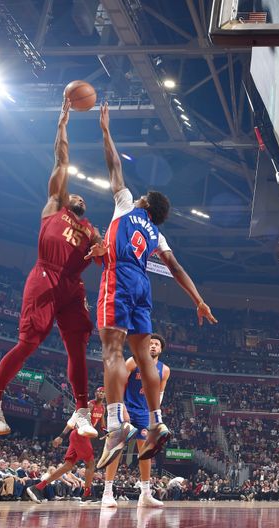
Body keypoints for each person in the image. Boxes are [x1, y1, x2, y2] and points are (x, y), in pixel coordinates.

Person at [88, 103, 217, 469]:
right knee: (144, 358)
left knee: (112, 350)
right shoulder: (157, 232)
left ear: (144, 201)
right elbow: (175, 268)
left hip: (120, 276)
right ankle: (157, 422)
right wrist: (199, 300)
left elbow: (114, 166)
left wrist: (105, 131)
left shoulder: (127, 204)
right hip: (144, 284)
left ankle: (116, 423)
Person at [0, 99, 99, 438]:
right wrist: (62, 123)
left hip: (73, 286)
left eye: (86, 201)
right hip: (46, 274)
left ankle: (81, 410)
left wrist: (102, 252)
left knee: (77, 348)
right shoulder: (55, 205)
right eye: (79, 196)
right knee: (29, 343)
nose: (82, 199)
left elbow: (102, 260)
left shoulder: (91, 231)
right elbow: (62, 158)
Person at [102, 333, 170, 509]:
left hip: (144, 412)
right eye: (150, 343)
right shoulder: (133, 361)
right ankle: (107, 492)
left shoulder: (165, 370)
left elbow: (159, 395)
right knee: (116, 447)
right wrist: (121, 407)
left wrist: (154, 415)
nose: (153, 346)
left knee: (146, 452)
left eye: (156, 344)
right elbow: (118, 383)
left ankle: (145, 493)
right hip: (126, 407)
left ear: (161, 350)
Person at [26, 422, 95, 504]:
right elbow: (73, 419)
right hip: (80, 434)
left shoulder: (102, 410)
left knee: (67, 466)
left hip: (81, 436)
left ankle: (37, 487)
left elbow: (102, 426)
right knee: (90, 464)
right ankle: (87, 494)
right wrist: (61, 436)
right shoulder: (87, 409)